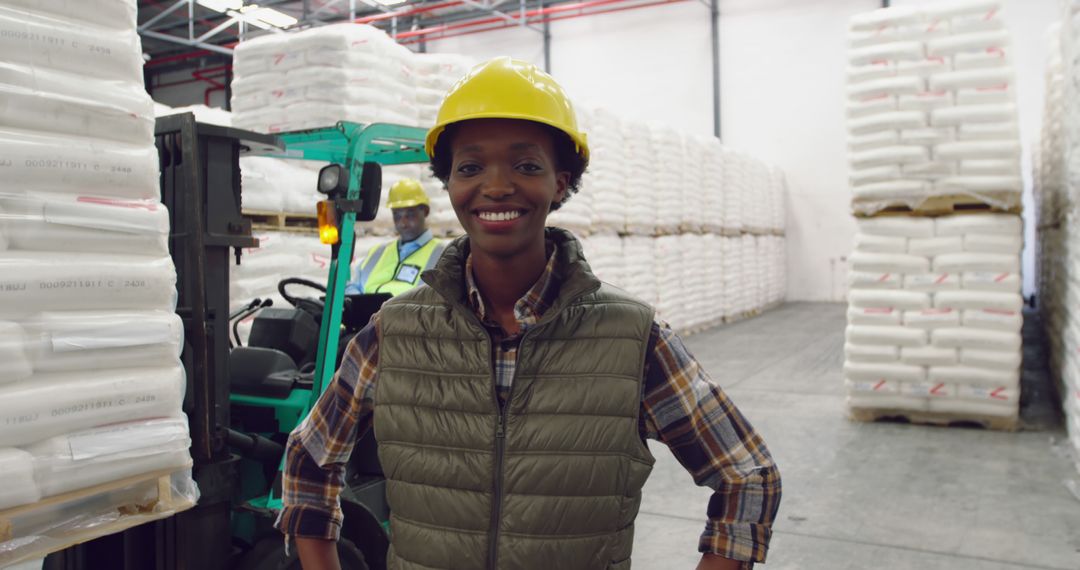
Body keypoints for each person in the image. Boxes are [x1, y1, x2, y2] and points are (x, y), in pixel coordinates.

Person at [277, 57, 781, 570]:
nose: (496, 186)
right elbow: (310, 460)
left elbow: (747, 476)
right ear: (448, 185)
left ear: (560, 183)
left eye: (526, 165)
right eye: (470, 167)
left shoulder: (631, 337)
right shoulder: (394, 332)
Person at [344, 177, 445, 296]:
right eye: (397, 215)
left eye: (410, 214)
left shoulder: (442, 253)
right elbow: (353, 286)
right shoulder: (377, 252)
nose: (403, 222)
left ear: (426, 211)